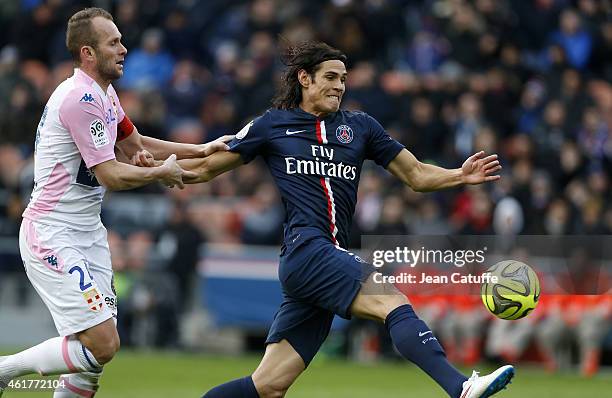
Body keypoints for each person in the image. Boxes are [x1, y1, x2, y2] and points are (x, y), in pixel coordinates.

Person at [176, 41, 514, 398]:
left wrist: (459, 176)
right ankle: (460, 385)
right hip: (307, 250)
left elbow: (415, 175)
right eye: (331, 77)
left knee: (269, 386)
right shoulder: (271, 125)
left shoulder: (361, 127)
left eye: (343, 79)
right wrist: (151, 169)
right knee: (391, 300)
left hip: (322, 259)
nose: (340, 86)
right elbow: (204, 169)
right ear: (304, 78)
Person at [0, 8, 227, 397]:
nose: (124, 49)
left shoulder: (104, 93)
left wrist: (200, 148)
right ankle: (5, 369)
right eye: (114, 42)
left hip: (88, 234)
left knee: (90, 366)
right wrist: (161, 173)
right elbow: (112, 174)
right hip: (52, 232)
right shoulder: (78, 98)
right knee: (102, 343)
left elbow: (135, 144)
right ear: (88, 53)